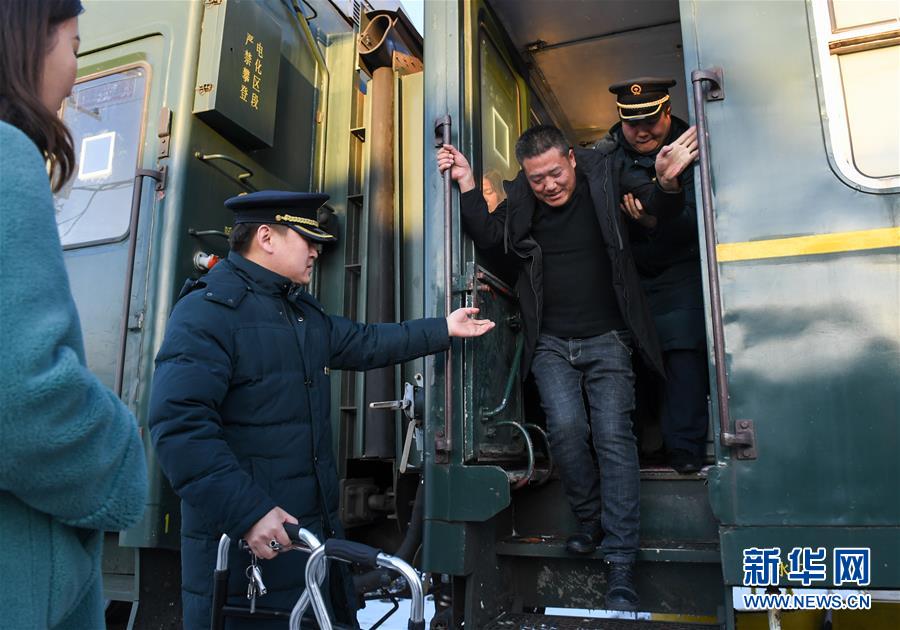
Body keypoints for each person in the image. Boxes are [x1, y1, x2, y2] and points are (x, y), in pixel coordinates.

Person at [148, 190, 494, 629]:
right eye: (307, 240)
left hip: (307, 545)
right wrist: (247, 512)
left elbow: (366, 342)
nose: (316, 250)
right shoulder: (208, 311)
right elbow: (179, 426)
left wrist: (443, 328)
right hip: (248, 554)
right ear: (266, 238)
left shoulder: (297, 312)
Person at [437, 123, 696, 611]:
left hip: (609, 338)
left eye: (555, 173)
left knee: (613, 438)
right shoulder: (523, 198)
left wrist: (664, 182)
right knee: (567, 430)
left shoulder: (606, 172)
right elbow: (491, 239)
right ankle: (590, 520)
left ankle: (621, 559)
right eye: (537, 179)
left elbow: (653, 212)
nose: (549, 185)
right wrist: (468, 183)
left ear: (572, 159)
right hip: (552, 342)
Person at [0, 1, 149, 628]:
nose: (73, 74)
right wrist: (121, 456)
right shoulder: (7, 156)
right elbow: (22, 396)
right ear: (27, 42)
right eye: (74, 48)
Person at [597, 77, 708, 473]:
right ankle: (643, 448)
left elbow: (698, 224)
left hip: (680, 271)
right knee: (633, 360)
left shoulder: (692, 148)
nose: (641, 132)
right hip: (630, 277)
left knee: (682, 354)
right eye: (632, 124)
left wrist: (651, 220)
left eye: (650, 121)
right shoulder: (607, 155)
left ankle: (685, 450)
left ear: (667, 112)